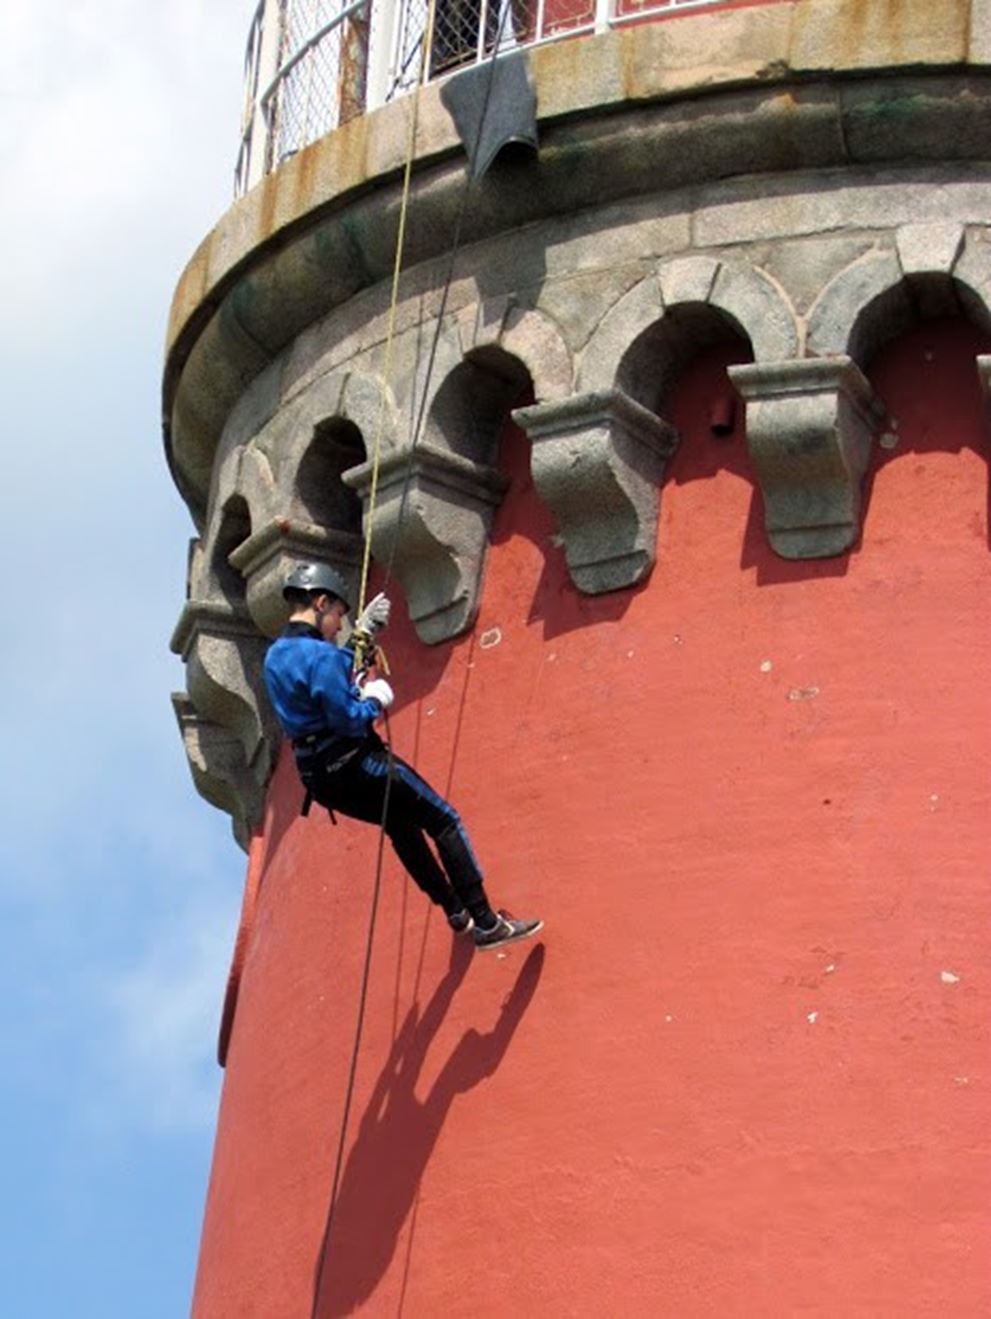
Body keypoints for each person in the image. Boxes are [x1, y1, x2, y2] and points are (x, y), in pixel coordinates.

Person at [263, 563, 543, 952]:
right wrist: (374, 700)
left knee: (399, 823)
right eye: (339, 617)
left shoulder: (275, 656)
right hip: (358, 765)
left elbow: (316, 678)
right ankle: (485, 921)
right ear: (321, 602)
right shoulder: (321, 656)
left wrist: (360, 636)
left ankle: (454, 909)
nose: (338, 626)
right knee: (443, 819)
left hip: (321, 781)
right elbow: (345, 715)